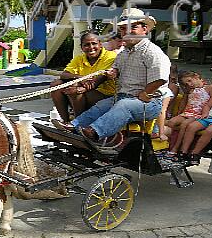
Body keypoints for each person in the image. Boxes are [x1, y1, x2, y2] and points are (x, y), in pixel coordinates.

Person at [53, 8, 171, 144]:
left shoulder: (152, 52)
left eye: (133, 27)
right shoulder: (123, 53)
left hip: (149, 103)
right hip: (124, 97)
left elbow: (160, 79)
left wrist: (146, 92)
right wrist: (113, 73)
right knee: (101, 106)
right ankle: (73, 126)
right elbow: (115, 69)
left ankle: (94, 132)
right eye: (123, 29)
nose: (127, 32)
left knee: (123, 105)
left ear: (144, 29)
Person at [50, 31, 117, 122]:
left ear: (100, 44)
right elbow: (64, 74)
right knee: (56, 85)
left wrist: (79, 88)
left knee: (74, 88)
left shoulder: (110, 57)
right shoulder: (80, 58)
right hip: (86, 90)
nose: (91, 47)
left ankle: (78, 123)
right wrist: (80, 78)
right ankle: (66, 120)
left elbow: (98, 80)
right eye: (86, 45)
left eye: (94, 44)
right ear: (81, 47)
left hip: (106, 96)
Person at [166, 71, 212, 156]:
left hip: (198, 114)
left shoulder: (209, 88)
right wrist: (179, 113)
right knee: (171, 122)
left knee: (184, 124)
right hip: (187, 113)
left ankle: (176, 148)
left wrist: (207, 114)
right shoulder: (190, 90)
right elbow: (184, 102)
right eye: (186, 83)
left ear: (196, 76)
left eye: (190, 81)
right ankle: (168, 143)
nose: (189, 84)